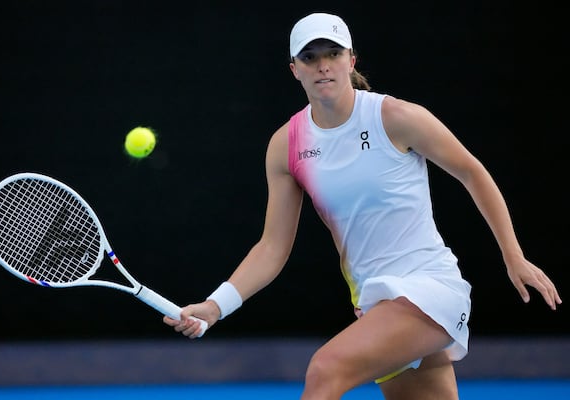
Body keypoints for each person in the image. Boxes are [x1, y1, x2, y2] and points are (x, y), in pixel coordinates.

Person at [164, 12, 562, 400]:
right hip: (374, 303)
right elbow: (272, 247)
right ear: (294, 70)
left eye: (333, 54)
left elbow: (472, 173)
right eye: (310, 57)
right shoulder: (286, 146)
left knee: (325, 368)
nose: (323, 66)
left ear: (351, 60)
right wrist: (216, 305)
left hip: (431, 287)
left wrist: (514, 256)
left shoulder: (396, 117)